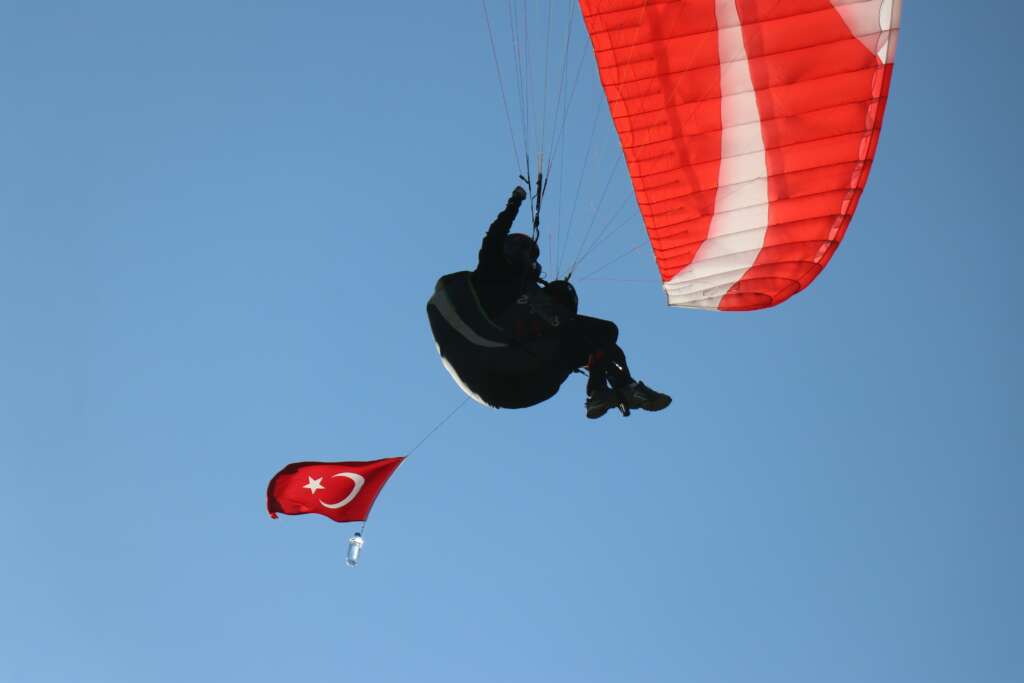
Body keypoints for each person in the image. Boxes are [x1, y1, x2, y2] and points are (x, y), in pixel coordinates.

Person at [466, 186, 672, 418]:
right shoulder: (492, 269)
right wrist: (514, 203)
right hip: (505, 342)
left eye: (532, 254)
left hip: (531, 361)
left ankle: (610, 391)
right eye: (524, 250)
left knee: (606, 342)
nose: (529, 257)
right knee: (602, 329)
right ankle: (606, 390)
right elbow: (494, 235)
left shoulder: (532, 289)